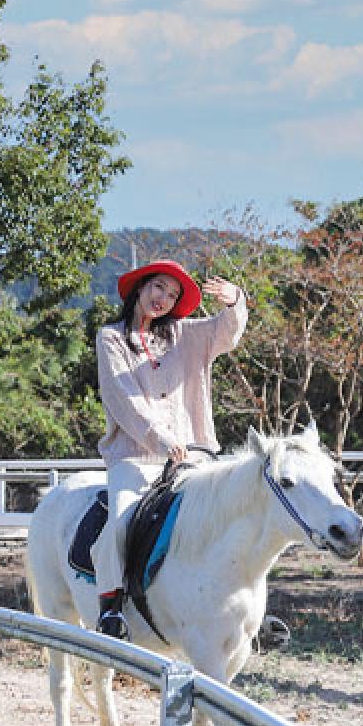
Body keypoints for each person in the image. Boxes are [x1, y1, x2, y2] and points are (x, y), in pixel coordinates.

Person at [92, 259, 246, 637]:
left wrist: (235, 301)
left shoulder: (185, 335)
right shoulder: (111, 338)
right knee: (120, 524)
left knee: (232, 517)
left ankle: (241, 610)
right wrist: (159, 438)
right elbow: (121, 396)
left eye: (173, 294)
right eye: (159, 287)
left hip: (193, 459)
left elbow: (225, 334)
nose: (164, 298)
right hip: (136, 457)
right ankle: (110, 608)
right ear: (141, 288)